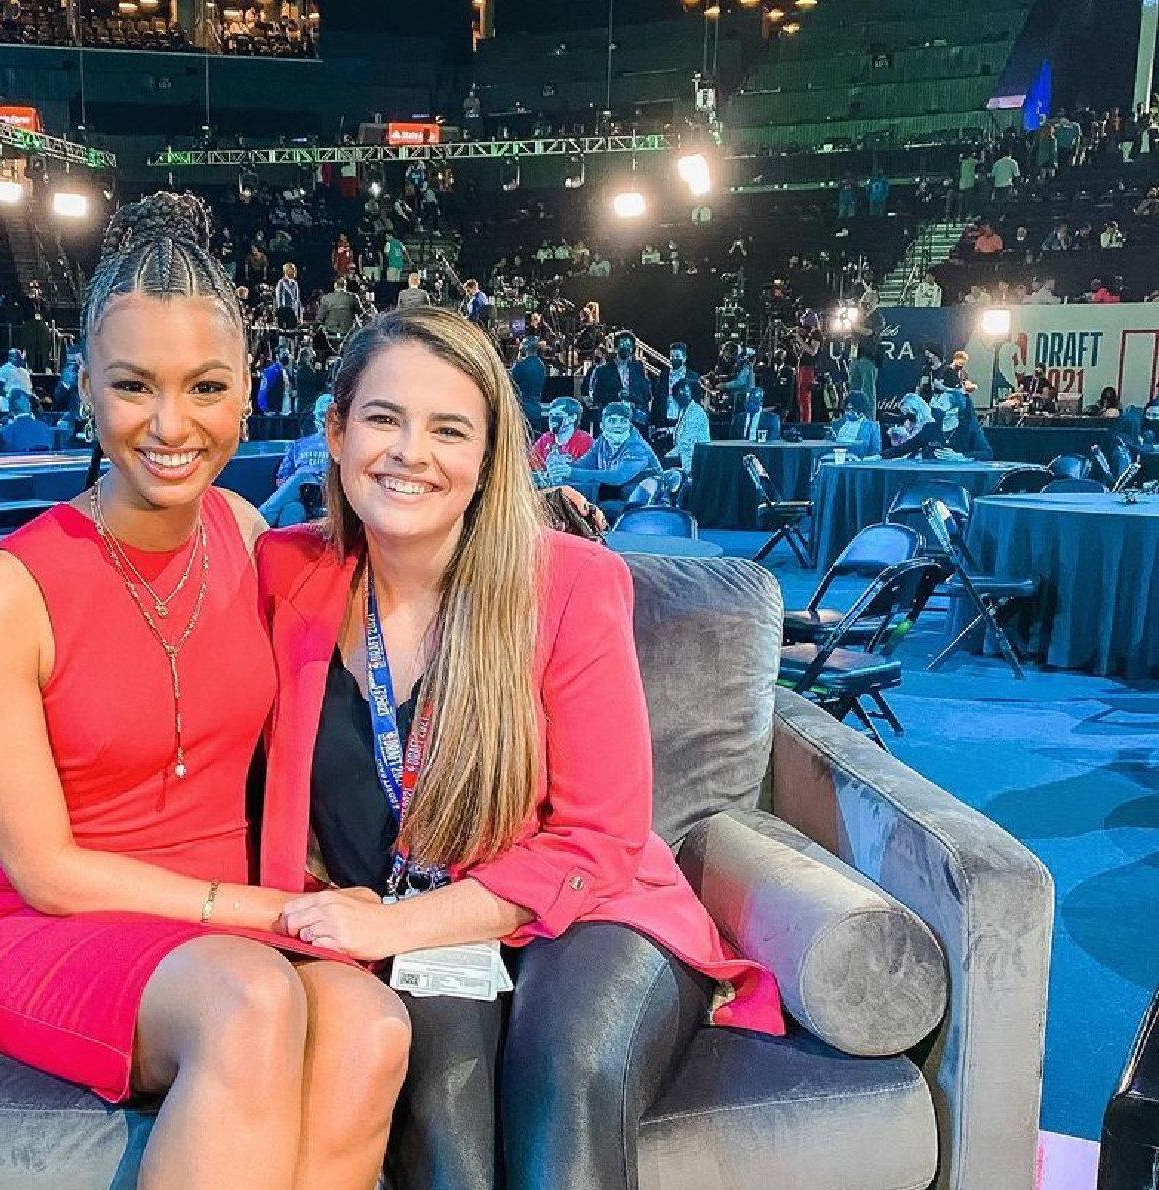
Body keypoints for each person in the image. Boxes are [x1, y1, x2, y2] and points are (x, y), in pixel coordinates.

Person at [0, 192, 409, 1190]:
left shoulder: (243, 528)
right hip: (52, 927)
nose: (169, 424)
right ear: (83, 389)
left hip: (232, 924)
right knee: (252, 999)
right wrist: (255, 908)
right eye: (132, 386)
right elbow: (48, 871)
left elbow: (400, 556)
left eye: (203, 387)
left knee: (370, 1023)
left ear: (247, 391)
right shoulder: (1, 593)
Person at [257, 306, 783, 1190]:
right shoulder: (282, 573)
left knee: (565, 1081)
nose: (409, 453)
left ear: (489, 457)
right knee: (448, 1135)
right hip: (409, 927)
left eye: (449, 429)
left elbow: (601, 841)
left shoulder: (571, 582)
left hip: (590, 911)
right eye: (383, 419)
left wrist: (392, 925)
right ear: (336, 433)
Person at [549, 401, 662, 522]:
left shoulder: (637, 447)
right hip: (617, 496)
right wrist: (560, 468)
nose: (618, 426)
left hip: (645, 508)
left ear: (630, 425)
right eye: (612, 421)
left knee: (592, 509)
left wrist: (570, 472)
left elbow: (618, 476)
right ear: (602, 425)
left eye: (623, 421)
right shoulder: (602, 441)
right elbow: (583, 466)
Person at [260, 392, 335, 528]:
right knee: (291, 510)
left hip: (327, 492)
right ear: (314, 416)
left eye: (327, 416)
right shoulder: (300, 444)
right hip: (301, 493)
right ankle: (279, 545)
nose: (323, 420)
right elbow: (283, 476)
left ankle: (260, 519)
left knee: (302, 476)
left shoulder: (341, 444)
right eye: (320, 415)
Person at [527, 396, 592, 479]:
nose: (552, 419)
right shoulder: (545, 439)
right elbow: (530, 466)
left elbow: (587, 474)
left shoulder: (585, 441)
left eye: (558, 414)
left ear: (572, 418)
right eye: (551, 414)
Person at [666, 379, 711, 476]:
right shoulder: (684, 411)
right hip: (685, 456)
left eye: (684, 391)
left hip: (694, 459)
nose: (680, 395)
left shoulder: (695, 411)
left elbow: (686, 443)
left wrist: (669, 458)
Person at [508, 336, 547, 430]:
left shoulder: (521, 366)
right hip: (536, 410)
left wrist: (518, 358)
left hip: (522, 410)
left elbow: (509, 381)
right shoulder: (541, 365)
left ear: (524, 349)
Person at [829, 390, 882, 457]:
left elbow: (875, 453)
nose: (849, 412)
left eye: (853, 410)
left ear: (861, 410)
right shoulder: (836, 424)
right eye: (847, 409)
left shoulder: (872, 427)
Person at [315, 277, 362, 344]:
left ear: (335, 286)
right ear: (345, 286)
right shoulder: (353, 297)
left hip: (331, 332)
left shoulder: (326, 298)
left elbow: (319, 318)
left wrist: (314, 330)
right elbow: (361, 314)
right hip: (348, 332)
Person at [273, 262, 302, 331]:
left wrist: (299, 315)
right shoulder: (281, 282)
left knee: (292, 331)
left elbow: (297, 300)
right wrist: (277, 313)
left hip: (292, 311)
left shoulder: (295, 283)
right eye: (292, 269)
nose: (294, 271)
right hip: (283, 310)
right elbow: (278, 299)